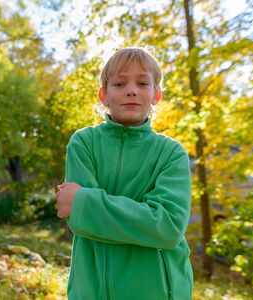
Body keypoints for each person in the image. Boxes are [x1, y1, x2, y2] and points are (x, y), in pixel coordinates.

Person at [56, 47, 193, 300]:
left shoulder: (171, 153)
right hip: (92, 289)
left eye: (142, 83)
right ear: (103, 95)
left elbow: (168, 227)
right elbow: (77, 220)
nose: (131, 90)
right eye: (119, 83)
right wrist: (142, 220)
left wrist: (84, 202)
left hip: (157, 291)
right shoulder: (84, 143)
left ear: (156, 95)